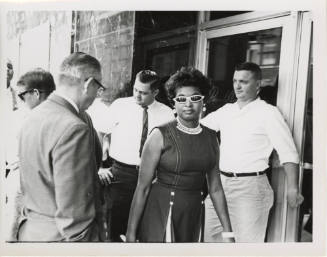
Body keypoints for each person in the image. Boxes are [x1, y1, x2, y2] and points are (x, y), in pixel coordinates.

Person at [126, 67, 234, 243]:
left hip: (193, 214)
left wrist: (228, 233)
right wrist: (131, 235)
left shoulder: (211, 137)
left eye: (195, 98)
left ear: (203, 101)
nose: (188, 104)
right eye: (181, 99)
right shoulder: (159, 135)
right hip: (161, 211)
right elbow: (142, 188)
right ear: (173, 103)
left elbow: (215, 189)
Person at [201, 62, 304, 242]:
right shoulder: (227, 111)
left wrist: (293, 188)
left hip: (251, 188)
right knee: (212, 241)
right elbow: (197, 130)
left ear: (257, 85)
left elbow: (288, 153)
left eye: (244, 81)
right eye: (235, 81)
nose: (237, 86)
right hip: (220, 186)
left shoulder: (268, 113)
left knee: (245, 246)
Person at [17, 52, 104, 241]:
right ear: (88, 84)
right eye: (99, 88)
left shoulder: (32, 116)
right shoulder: (74, 126)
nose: (97, 96)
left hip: (31, 232)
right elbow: (75, 214)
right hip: (61, 239)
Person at [87, 70, 174, 242]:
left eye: (143, 92)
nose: (137, 96)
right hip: (121, 174)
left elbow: (170, 148)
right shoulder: (120, 105)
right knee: (115, 228)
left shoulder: (166, 113)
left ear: (155, 92)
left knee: (146, 228)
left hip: (153, 176)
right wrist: (100, 166)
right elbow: (100, 133)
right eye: (135, 90)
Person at [5, 68, 56, 241]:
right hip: (21, 182)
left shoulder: (57, 118)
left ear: (35, 93)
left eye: (22, 96)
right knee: (12, 233)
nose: (21, 101)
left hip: (45, 191)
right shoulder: (19, 117)